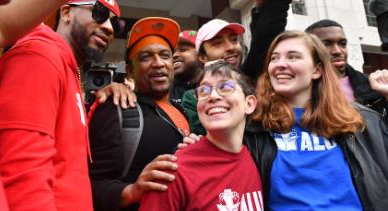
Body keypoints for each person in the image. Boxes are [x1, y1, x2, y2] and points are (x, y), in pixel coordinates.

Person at [0, 0, 124, 210]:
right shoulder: (40, 56)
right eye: (98, 13)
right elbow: (22, 174)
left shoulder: (68, 68)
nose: (109, 27)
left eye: (116, 23)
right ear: (67, 14)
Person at [243, 30, 388, 210]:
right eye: (274, 58)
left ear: (317, 70)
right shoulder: (254, 127)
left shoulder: (359, 121)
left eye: (293, 57)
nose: (280, 64)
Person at [183, 0, 324, 134]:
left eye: (234, 40)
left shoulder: (251, 75)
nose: (231, 48)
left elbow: (265, 39)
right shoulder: (192, 97)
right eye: (217, 43)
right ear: (202, 56)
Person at [88, 17, 188, 211]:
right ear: (129, 71)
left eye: (165, 55)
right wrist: (131, 191)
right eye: (145, 57)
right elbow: (91, 182)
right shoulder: (118, 107)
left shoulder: (183, 110)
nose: (158, 63)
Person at [139, 61, 262, 211]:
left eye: (225, 87)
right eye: (204, 90)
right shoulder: (171, 172)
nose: (213, 96)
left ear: (249, 104)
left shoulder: (260, 158)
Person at [305, 19, 385, 111]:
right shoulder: (298, 88)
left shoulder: (373, 85)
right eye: (326, 44)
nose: (338, 51)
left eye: (342, 44)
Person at [170, 30, 202, 104]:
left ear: (201, 55)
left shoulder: (214, 86)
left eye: (183, 50)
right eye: (173, 52)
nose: (175, 55)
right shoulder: (165, 89)